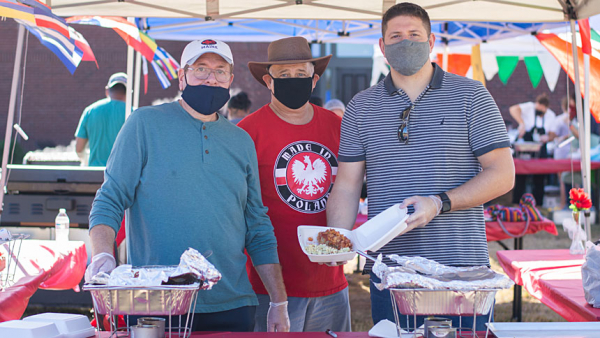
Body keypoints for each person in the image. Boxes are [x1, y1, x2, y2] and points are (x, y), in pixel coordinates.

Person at [325, 2, 514, 331]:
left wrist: (439, 202)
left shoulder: (471, 96)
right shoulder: (361, 106)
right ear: (382, 47)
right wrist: (339, 240)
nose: (405, 42)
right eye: (395, 36)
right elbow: (346, 184)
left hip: (463, 272)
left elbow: (502, 174)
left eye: (414, 35)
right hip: (391, 274)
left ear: (430, 42)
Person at [83, 38, 290, 332]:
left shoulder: (241, 141)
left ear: (230, 80)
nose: (211, 77)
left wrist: (278, 301)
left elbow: (257, 225)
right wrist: (103, 254)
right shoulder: (144, 124)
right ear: (182, 77)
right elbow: (109, 200)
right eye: (201, 68)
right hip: (157, 304)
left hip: (233, 304)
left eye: (220, 71)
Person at [239, 36, 351, 332]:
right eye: (284, 75)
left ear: (314, 80)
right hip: (269, 287)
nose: (293, 81)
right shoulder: (246, 132)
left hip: (330, 282)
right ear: (268, 81)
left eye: (300, 74)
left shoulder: (338, 126)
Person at [510, 93, 556, 204]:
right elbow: (513, 109)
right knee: (521, 178)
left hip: (540, 151)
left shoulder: (551, 116)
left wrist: (547, 138)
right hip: (525, 150)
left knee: (540, 179)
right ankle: (517, 204)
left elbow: (552, 134)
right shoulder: (529, 107)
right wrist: (521, 123)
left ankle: (538, 205)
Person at [75, 72, 128, 166]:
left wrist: (86, 161)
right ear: (129, 93)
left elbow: (79, 148)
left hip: (94, 172)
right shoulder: (133, 114)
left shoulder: (90, 111)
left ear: (107, 91)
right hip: (121, 175)